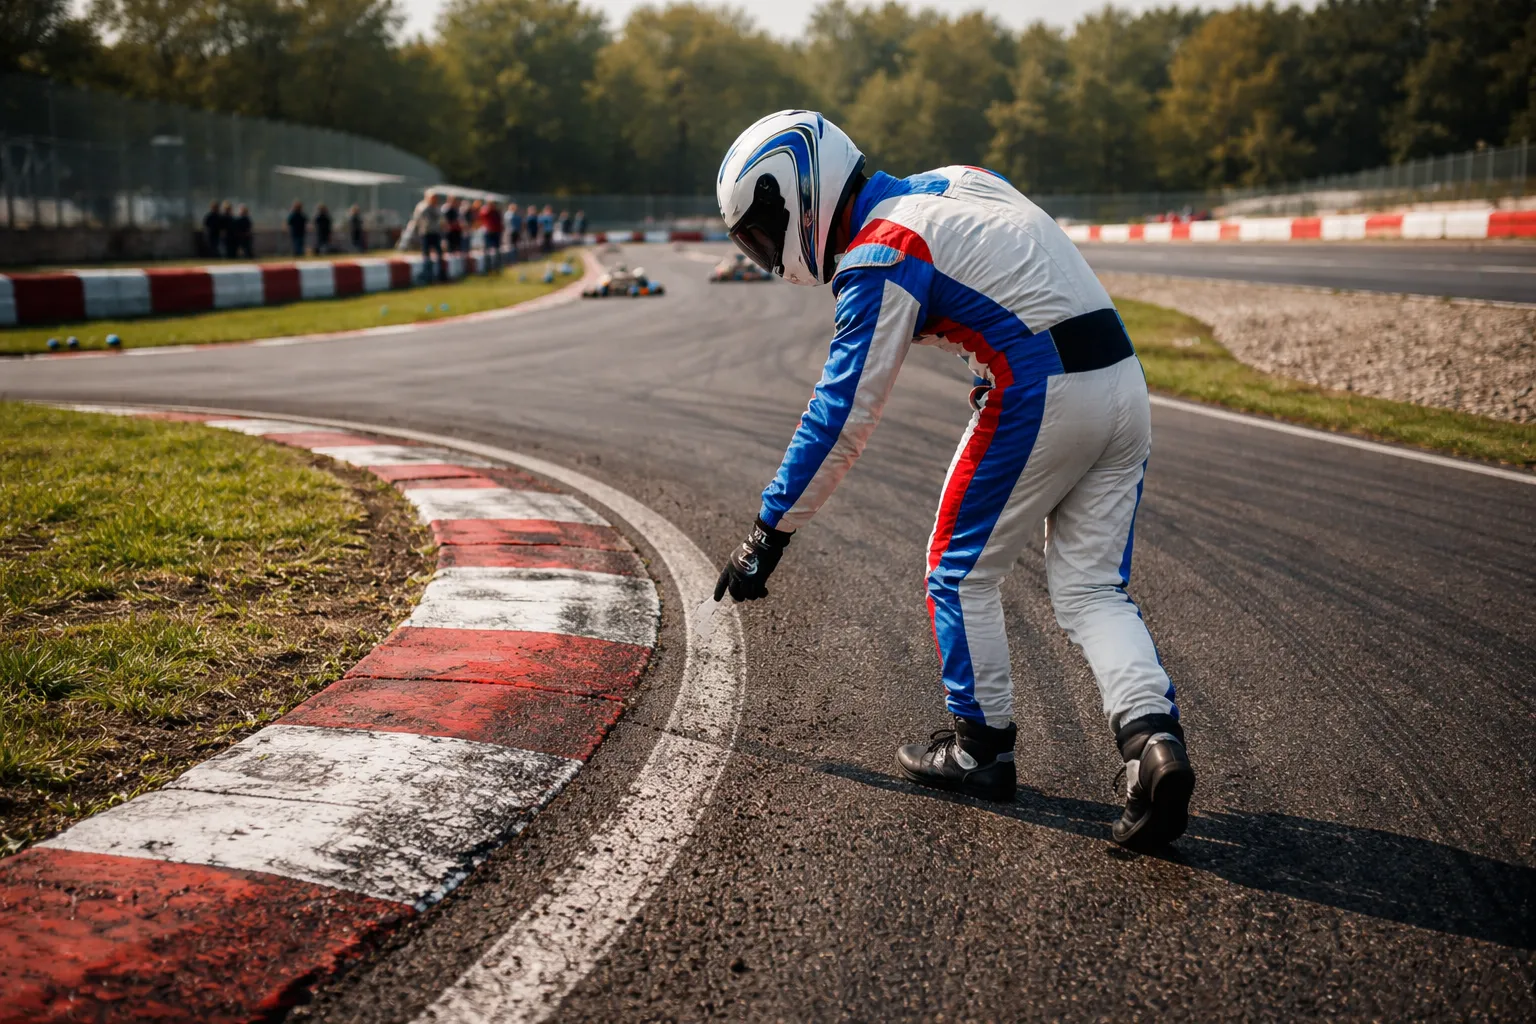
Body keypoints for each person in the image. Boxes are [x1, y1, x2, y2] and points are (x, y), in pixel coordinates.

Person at [711, 110, 1195, 851]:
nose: (770, 254)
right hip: (1124, 382)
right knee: (1093, 590)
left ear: (800, 193)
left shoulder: (879, 251)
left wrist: (767, 532)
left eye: (764, 232)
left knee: (956, 569)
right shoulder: (964, 180)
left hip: (1040, 387)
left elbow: (841, 415)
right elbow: (1027, 274)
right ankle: (1152, 748)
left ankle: (980, 749)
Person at [408, 190, 445, 282]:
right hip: (426, 233)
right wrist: (414, 235)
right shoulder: (422, 207)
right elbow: (416, 221)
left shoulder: (437, 207)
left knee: (439, 255)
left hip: (435, 233)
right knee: (426, 255)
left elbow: (441, 220)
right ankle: (427, 275)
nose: (435, 200)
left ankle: (440, 275)